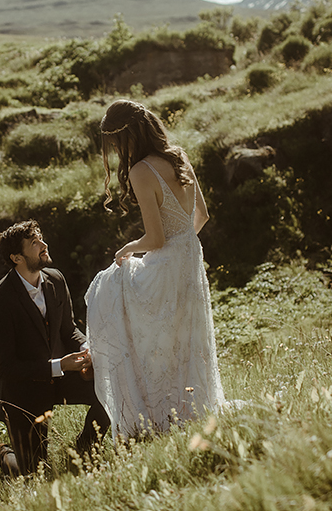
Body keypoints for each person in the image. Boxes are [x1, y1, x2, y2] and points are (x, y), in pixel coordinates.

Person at [84, 99, 226, 438]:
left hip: (167, 264)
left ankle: (153, 413)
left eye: (115, 142)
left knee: (114, 291)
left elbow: (156, 239)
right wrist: (183, 247)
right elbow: (201, 217)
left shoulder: (140, 171)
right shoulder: (179, 157)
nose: (116, 150)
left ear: (126, 137)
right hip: (191, 261)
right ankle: (192, 407)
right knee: (188, 341)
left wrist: (126, 249)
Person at [0, 220, 110, 475]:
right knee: (34, 472)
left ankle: (85, 448)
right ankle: (4, 450)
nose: (44, 245)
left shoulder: (56, 279)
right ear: (17, 258)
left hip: (61, 379)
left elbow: (68, 329)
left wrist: (88, 347)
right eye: (34, 243)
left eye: (40, 238)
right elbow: (5, 368)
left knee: (111, 387)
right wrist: (59, 365)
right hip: (22, 393)